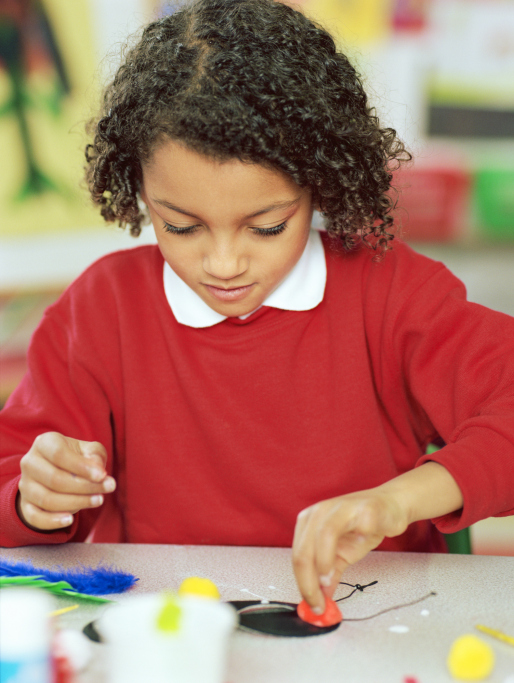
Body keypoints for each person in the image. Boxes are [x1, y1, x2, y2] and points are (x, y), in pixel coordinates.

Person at [1, 0, 513, 618]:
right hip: (172, 635)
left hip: (370, 626)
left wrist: (397, 502)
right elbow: (15, 485)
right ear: (138, 190)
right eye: (181, 226)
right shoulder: (101, 310)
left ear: (317, 184)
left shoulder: (391, 293)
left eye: (267, 227)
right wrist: (35, 497)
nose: (223, 263)